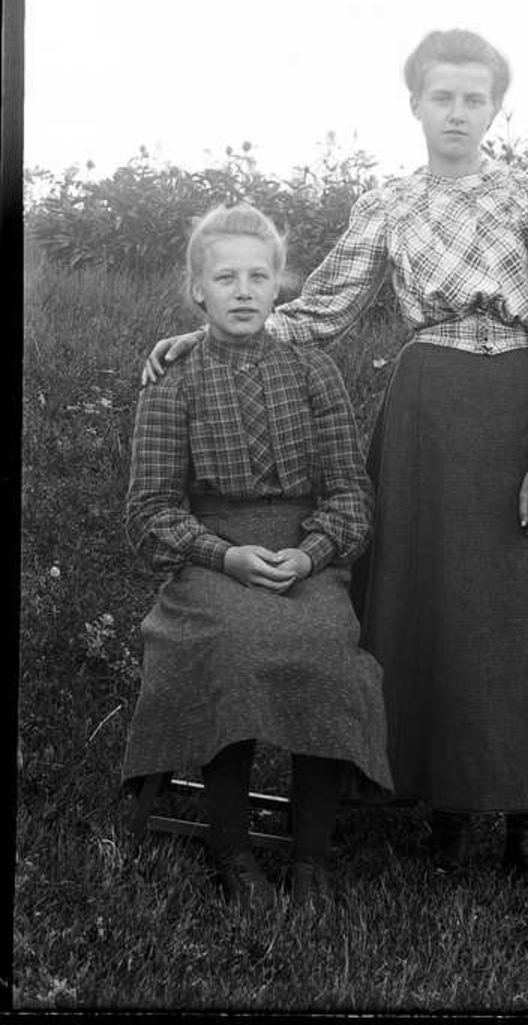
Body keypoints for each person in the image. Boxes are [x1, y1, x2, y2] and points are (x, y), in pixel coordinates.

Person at [143, 29, 528, 900]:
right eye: (442, 97)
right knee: (434, 608)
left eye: (474, 99)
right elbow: (317, 311)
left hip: (512, 409)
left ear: (494, 109)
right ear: (415, 105)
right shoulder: (389, 203)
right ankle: (444, 806)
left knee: (520, 619)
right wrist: (202, 337)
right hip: (425, 412)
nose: (457, 113)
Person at [124, 202, 393, 910]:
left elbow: (349, 492)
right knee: (234, 646)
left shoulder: (314, 371)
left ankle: (310, 857)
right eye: (225, 278)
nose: (242, 291)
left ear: (279, 287)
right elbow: (151, 509)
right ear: (198, 290)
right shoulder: (173, 380)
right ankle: (232, 850)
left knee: (326, 650)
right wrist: (223, 555)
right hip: (211, 562)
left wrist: (310, 555)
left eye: (257, 277)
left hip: (302, 555)